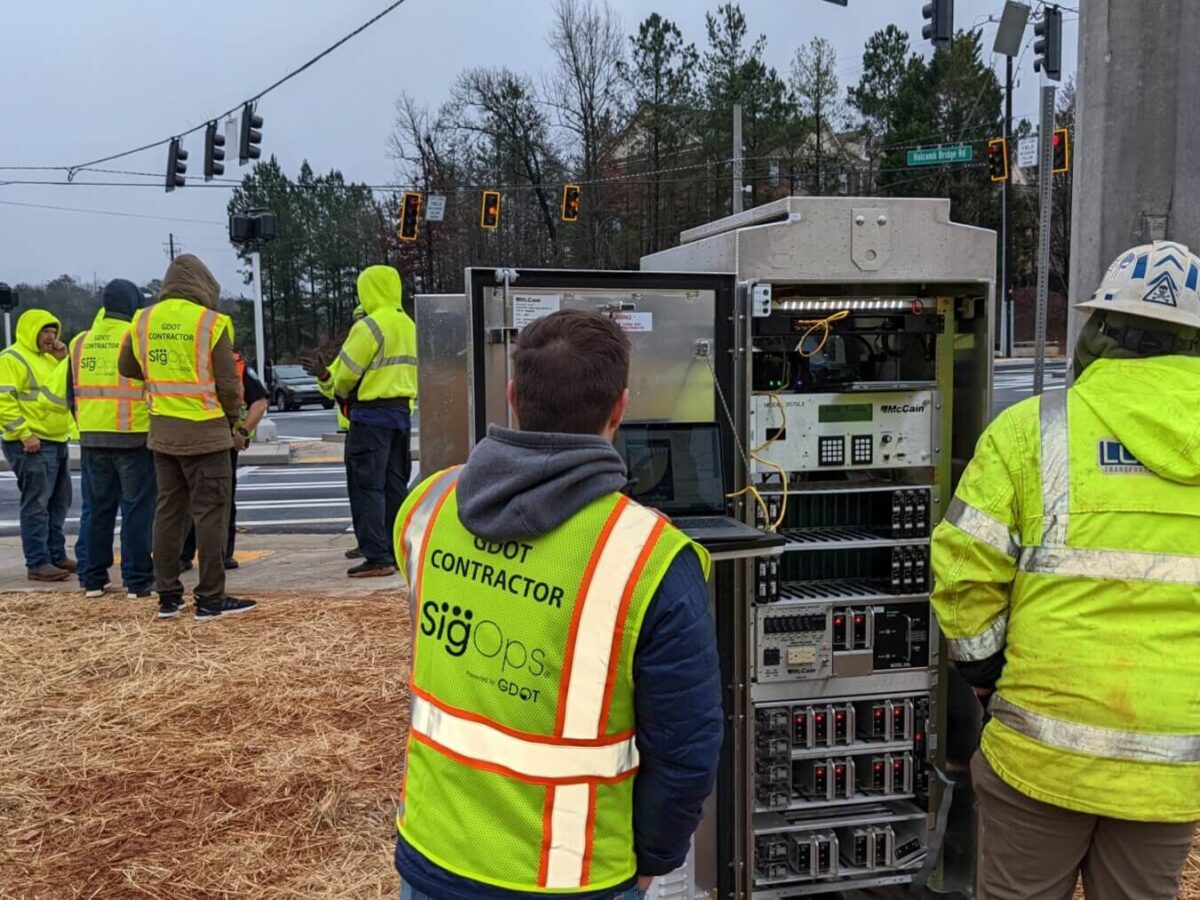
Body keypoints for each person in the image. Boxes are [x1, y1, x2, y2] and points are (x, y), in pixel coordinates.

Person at [392, 310, 723, 900]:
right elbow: (687, 751)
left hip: (432, 854)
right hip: (572, 878)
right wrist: (654, 860)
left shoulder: (430, 506)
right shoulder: (653, 560)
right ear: (619, 409)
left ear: (514, 398)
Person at [931, 240, 1200, 900]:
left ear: (1100, 331)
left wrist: (989, 680)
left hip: (1040, 754)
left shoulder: (1034, 430)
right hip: (1169, 765)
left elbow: (964, 572)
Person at [119, 254, 257, 622]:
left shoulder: (143, 319)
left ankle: (167, 596)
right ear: (205, 285)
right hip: (207, 434)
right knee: (210, 515)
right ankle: (211, 598)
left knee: (167, 513)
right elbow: (229, 384)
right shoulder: (211, 323)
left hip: (163, 432)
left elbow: (127, 367)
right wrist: (233, 423)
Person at [66, 280, 155, 599]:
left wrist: (87, 423)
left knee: (96, 509)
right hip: (133, 435)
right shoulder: (136, 337)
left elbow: (69, 393)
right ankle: (137, 579)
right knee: (137, 509)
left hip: (92, 436)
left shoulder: (80, 341)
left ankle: (92, 578)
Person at [330, 266, 416, 578]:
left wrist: (337, 389)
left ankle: (376, 555)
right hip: (401, 415)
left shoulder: (370, 326)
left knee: (367, 486)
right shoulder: (408, 324)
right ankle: (395, 550)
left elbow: (346, 375)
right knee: (395, 485)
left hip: (369, 417)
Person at [180, 348, 270, 571]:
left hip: (221, 441)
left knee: (218, 499)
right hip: (198, 438)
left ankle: (218, 555)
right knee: (194, 499)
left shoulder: (236, 365)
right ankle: (190, 554)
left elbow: (259, 402)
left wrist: (244, 432)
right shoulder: (188, 359)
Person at [0, 309, 74, 581]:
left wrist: (62, 360)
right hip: (32, 444)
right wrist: (23, 434)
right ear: (31, 331)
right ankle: (38, 562)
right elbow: (3, 402)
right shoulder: (12, 358)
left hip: (56, 439)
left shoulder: (50, 359)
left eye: (53, 331)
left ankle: (55, 555)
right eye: (44, 330)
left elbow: (60, 391)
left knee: (58, 503)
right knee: (37, 505)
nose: (50, 336)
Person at [310, 304, 366, 560]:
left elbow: (340, 384)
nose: (359, 323)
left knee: (371, 489)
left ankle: (376, 544)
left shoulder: (372, 341)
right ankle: (368, 540)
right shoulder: (354, 346)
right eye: (357, 318)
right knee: (363, 490)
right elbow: (333, 384)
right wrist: (323, 375)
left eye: (362, 318)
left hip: (367, 424)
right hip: (354, 425)